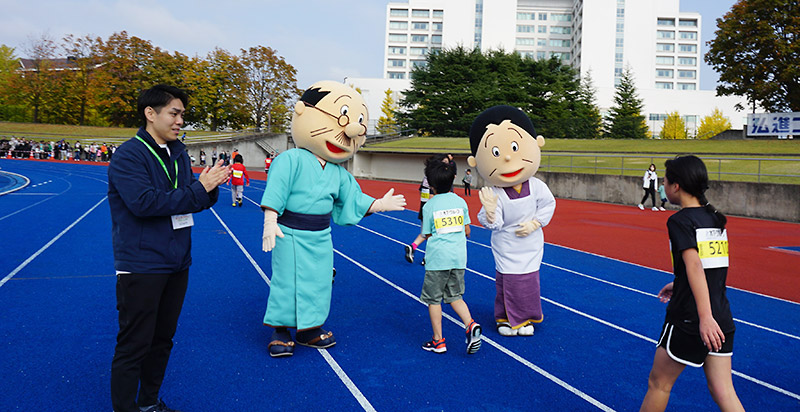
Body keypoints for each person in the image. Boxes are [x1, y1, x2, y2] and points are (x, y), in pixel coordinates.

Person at [107, 84, 230, 412]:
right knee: (134, 345)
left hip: (177, 262)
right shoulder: (128, 155)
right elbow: (144, 203)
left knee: (162, 341)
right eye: (174, 114)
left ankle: (148, 403)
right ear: (151, 114)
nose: (180, 121)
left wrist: (211, 186)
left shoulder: (178, 152)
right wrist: (199, 188)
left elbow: (194, 197)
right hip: (142, 265)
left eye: (182, 115)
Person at [260, 80, 406, 358]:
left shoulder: (339, 173)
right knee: (287, 281)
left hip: (320, 236)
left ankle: (309, 329)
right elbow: (277, 188)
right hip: (289, 232)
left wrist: (379, 204)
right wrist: (270, 219)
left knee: (318, 281)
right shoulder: (290, 159)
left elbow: (352, 199)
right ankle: (280, 329)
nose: (350, 131)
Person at [639, 155, 743, 412]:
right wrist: (680, 284)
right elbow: (711, 268)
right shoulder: (715, 218)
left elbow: (695, 265)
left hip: (691, 318)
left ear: (676, 187)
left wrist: (704, 317)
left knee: (659, 383)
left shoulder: (680, 221)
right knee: (724, 391)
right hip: (722, 316)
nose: (662, 185)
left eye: (665, 181)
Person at [468, 105, 556, 337]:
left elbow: (548, 204)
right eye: (495, 153)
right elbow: (494, 224)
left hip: (531, 244)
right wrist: (489, 213)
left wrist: (535, 223)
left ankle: (525, 317)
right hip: (506, 244)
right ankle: (504, 318)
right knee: (507, 282)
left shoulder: (537, 186)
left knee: (528, 283)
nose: (507, 157)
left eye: (515, 147)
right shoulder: (494, 192)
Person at [418, 158, 481, 355]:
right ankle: (470, 324)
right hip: (458, 259)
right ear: (452, 180)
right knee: (455, 296)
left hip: (437, 260)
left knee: (434, 300)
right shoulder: (460, 201)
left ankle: (439, 341)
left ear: (432, 185)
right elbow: (468, 230)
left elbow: (427, 233)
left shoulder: (429, 205)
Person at [404, 154, 451, 265]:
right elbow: (429, 195)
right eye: (445, 162)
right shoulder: (435, 179)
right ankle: (427, 257)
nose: (447, 165)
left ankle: (413, 247)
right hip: (434, 211)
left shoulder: (427, 178)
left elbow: (423, 193)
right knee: (434, 235)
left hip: (425, 209)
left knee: (426, 233)